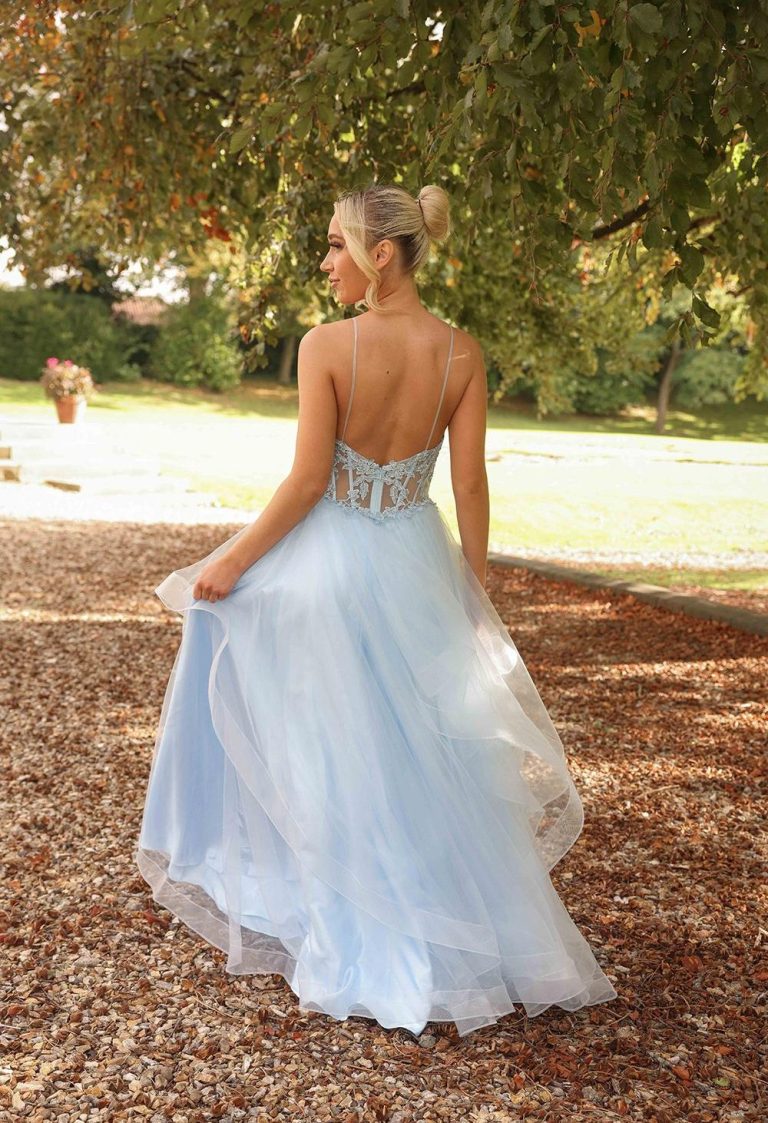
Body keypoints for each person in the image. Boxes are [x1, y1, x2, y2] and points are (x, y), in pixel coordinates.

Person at [134, 182, 617, 1039]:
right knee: (424, 751)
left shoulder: (328, 345)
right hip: (418, 562)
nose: (325, 262)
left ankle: (362, 927)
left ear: (380, 253)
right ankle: (464, 929)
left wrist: (231, 561)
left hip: (334, 565)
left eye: (334, 245)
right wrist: (469, 592)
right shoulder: (462, 353)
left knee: (337, 746)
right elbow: (469, 483)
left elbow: (310, 482)